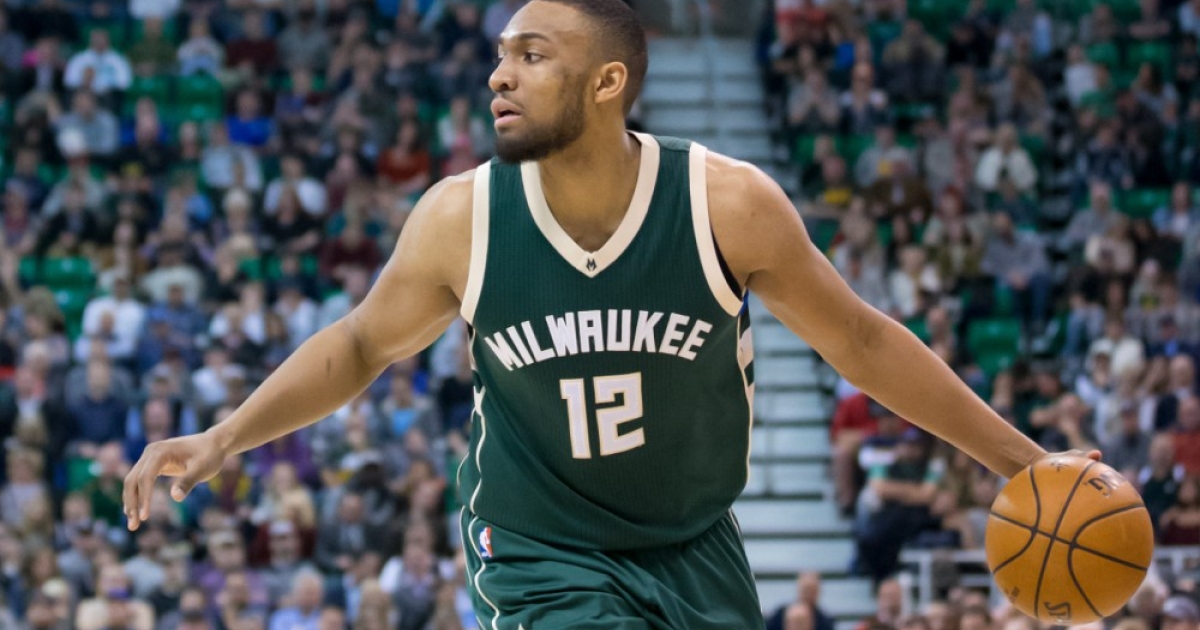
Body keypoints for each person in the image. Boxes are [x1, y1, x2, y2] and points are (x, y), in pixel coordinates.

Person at [123, 0, 1083, 626]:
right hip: (538, 546)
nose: (499, 75)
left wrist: (1028, 464)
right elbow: (362, 343)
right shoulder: (462, 218)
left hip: (694, 543)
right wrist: (226, 435)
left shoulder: (726, 204)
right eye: (500, 56)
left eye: (531, 55)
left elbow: (864, 341)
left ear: (607, 81)